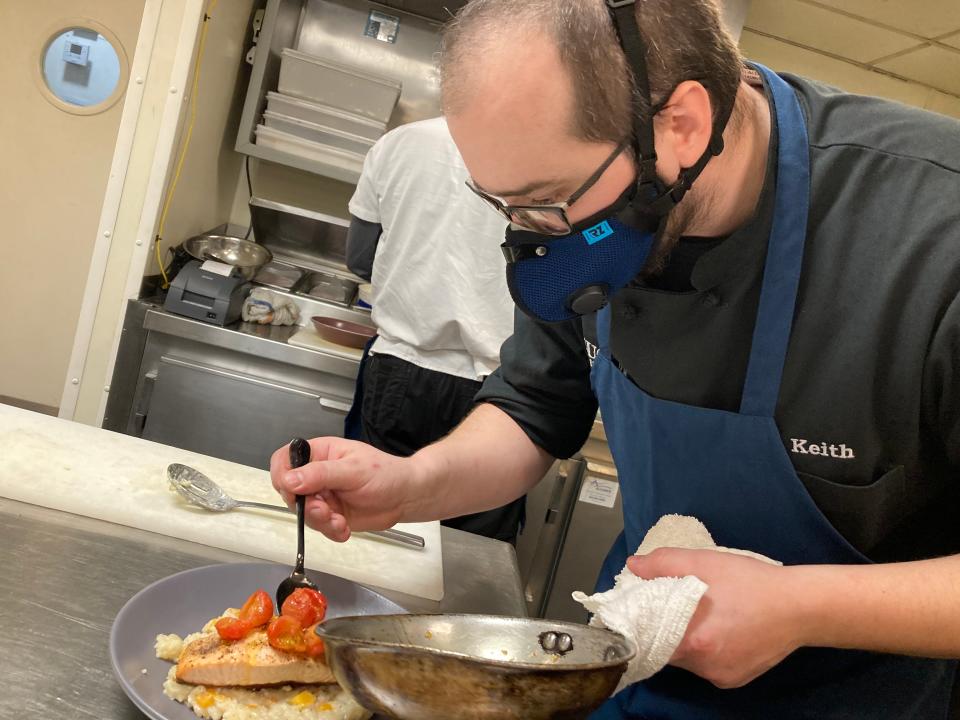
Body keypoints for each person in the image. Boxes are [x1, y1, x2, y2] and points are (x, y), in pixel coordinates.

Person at [271, 0, 960, 716]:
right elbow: (536, 409)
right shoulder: (582, 227)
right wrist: (414, 485)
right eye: (501, 204)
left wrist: (803, 607)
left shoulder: (934, 235)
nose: (528, 232)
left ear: (682, 126)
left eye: (544, 202)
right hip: (639, 681)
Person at [342, 116, 524, 544]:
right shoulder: (544, 153)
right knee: (474, 551)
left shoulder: (400, 142)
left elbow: (359, 258)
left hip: (402, 369)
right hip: (501, 387)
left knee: (376, 531)